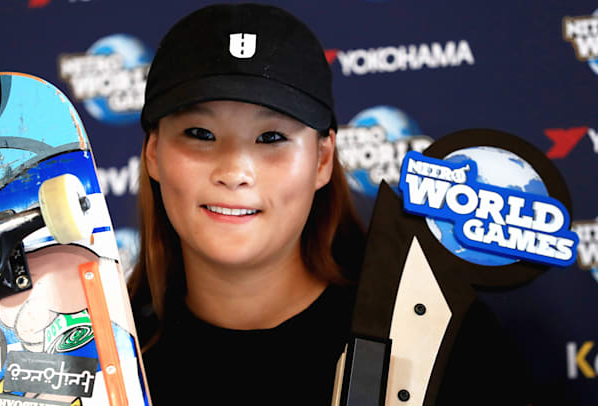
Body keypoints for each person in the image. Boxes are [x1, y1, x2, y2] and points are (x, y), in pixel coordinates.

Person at [128, 3, 534, 405]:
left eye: (271, 137)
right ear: (153, 152)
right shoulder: (105, 360)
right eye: (200, 133)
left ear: (322, 159)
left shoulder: (434, 337)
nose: (234, 172)